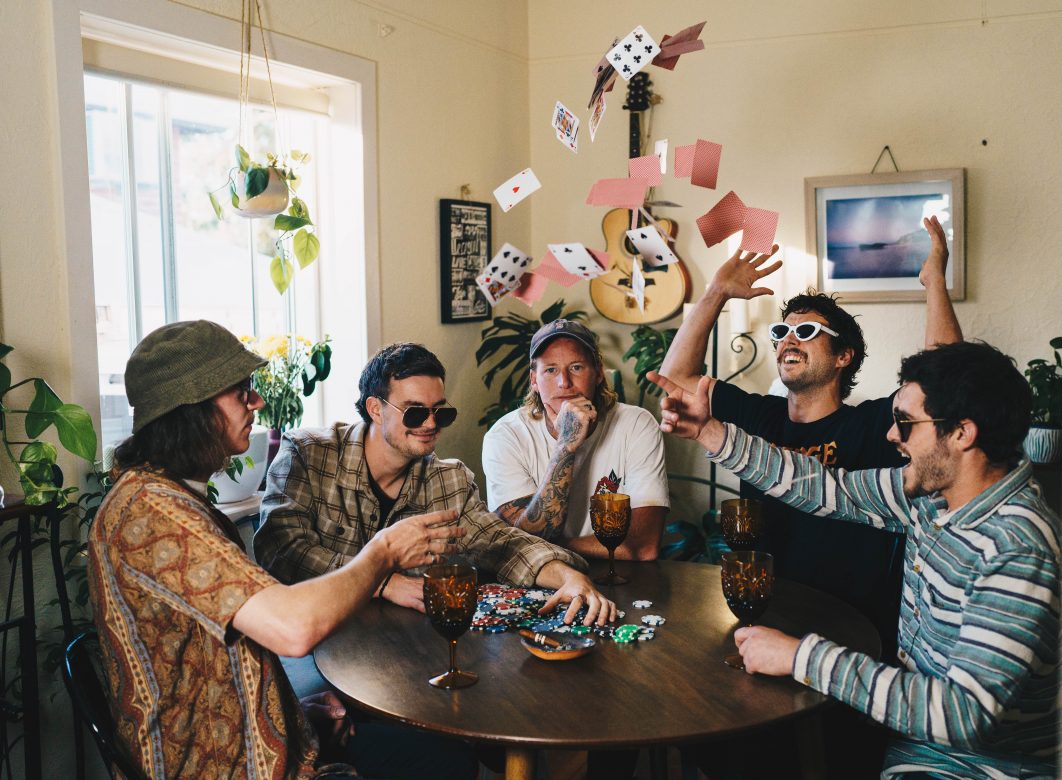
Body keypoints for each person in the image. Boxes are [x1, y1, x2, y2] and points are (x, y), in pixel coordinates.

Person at [649, 340, 1062, 778]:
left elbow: (963, 715)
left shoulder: (1016, 549)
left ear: (962, 433)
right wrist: (709, 432)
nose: (891, 435)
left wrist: (802, 657)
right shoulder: (932, 498)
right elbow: (829, 489)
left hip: (982, 767)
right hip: (911, 740)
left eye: (906, 423)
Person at [88, 320, 477, 779]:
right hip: (224, 768)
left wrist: (290, 714)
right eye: (241, 392)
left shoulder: (169, 496)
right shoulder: (155, 514)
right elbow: (293, 630)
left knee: (443, 754)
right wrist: (384, 553)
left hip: (250, 742)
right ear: (191, 411)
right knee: (444, 760)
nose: (257, 401)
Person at [658, 216, 962, 777]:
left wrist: (934, 281)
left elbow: (948, 385)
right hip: (761, 612)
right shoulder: (759, 414)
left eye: (806, 331)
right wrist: (715, 292)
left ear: (844, 356)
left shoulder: (874, 424)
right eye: (782, 331)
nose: (787, 340)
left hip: (850, 628)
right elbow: (674, 384)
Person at [255, 341, 616, 625]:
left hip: (402, 647)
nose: (430, 424)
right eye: (415, 412)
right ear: (375, 409)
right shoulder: (308, 454)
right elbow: (281, 551)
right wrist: (381, 582)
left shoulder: (448, 478)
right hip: (315, 640)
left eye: (441, 411)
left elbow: (502, 543)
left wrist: (566, 576)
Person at [482, 319, 669, 560]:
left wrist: (552, 545)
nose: (564, 382)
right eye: (550, 370)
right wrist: (566, 444)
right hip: (542, 575)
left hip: (618, 573)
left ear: (598, 373)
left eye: (576, 367)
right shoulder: (506, 436)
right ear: (534, 380)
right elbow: (517, 545)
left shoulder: (636, 425)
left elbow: (643, 545)